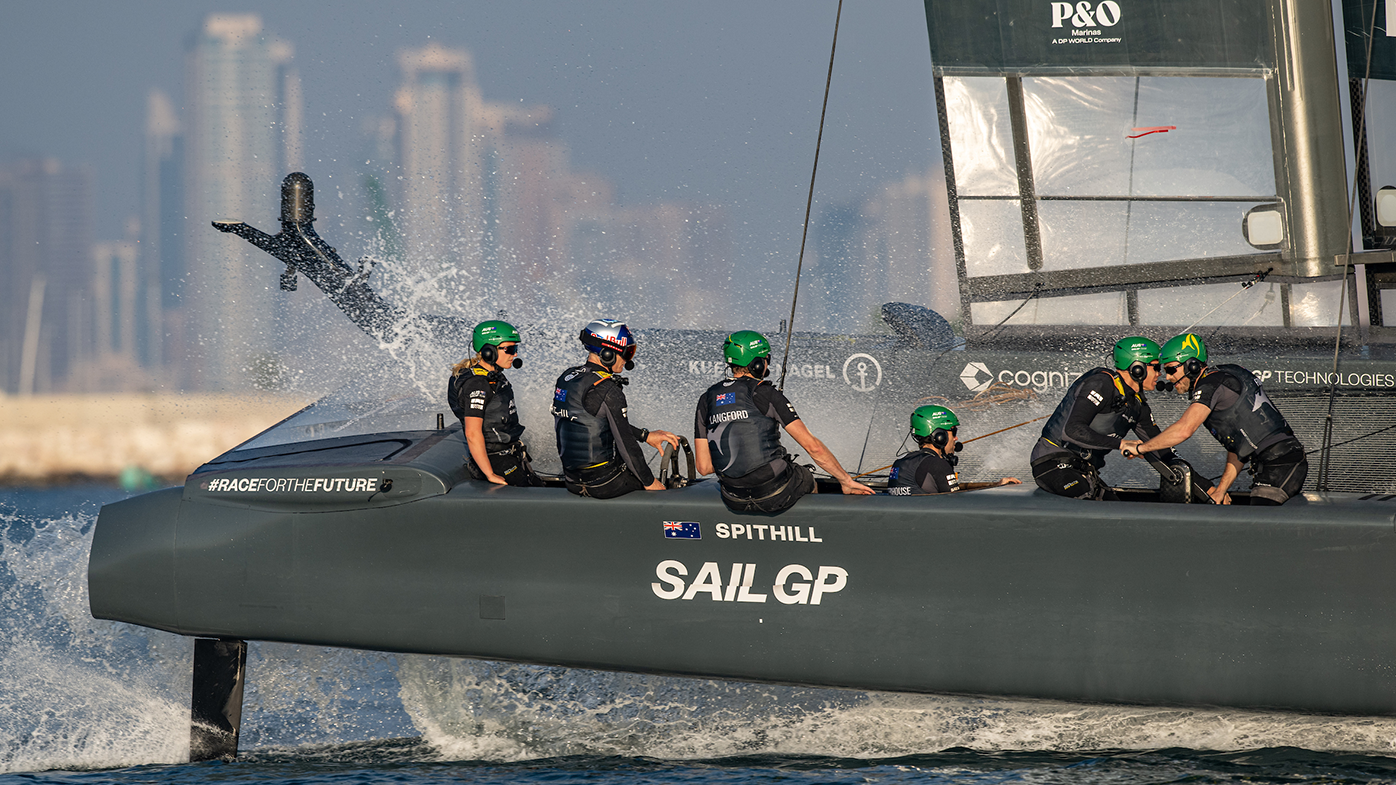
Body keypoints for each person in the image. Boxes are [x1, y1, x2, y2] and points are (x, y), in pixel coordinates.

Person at [693, 330, 873, 513]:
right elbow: (814, 448)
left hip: (733, 498)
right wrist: (845, 480)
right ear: (757, 363)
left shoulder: (706, 399)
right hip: (774, 493)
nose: (766, 364)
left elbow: (704, 467)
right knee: (805, 476)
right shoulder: (766, 393)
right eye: (766, 359)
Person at [1123, 333, 1307, 505]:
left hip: (1281, 462)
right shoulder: (1220, 378)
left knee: (1258, 528)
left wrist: (1141, 448)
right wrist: (1221, 490)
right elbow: (1239, 447)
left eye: (1171, 369)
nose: (1169, 378)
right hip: (1274, 463)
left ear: (1192, 365)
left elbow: (1185, 429)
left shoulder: (1211, 384)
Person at [1030, 336, 1179, 501]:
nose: (1160, 374)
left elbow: (1160, 446)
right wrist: (1122, 444)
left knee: (1118, 511)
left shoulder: (1137, 405)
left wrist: (1199, 485)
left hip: (1085, 472)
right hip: (1053, 463)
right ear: (1138, 368)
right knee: (1090, 502)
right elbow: (1072, 431)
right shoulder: (1101, 384)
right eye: (1156, 367)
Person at [551, 318, 680, 498]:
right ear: (607, 353)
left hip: (572, 481)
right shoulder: (608, 389)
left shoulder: (567, 378)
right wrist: (650, 483)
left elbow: (597, 422)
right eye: (627, 353)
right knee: (651, 479)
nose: (628, 360)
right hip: (604, 484)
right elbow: (626, 443)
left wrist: (645, 435)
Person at [448, 319, 544, 487]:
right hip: (497, 460)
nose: (514, 355)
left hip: (509, 455)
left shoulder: (493, 375)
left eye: (516, 349)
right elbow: (472, 433)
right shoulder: (478, 383)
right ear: (488, 351)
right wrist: (489, 474)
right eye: (509, 349)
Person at [887, 405, 1020, 495]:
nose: (956, 438)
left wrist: (995, 484)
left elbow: (947, 487)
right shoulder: (936, 465)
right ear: (939, 436)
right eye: (953, 431)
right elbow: (957, 502)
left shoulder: (900, 462)